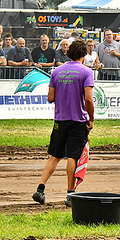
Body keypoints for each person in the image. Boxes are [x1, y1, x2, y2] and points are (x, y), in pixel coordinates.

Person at [32, 39, 94, 207]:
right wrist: (91, 118)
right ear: (83, 55)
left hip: (60, 119)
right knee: (73, 156)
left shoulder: (56, 71)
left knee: (55, 155)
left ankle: (40, 189)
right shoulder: (86, 72)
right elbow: (88, 99)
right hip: (77, 120)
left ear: (68, 53)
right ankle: (70, 194)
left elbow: (50, 97)